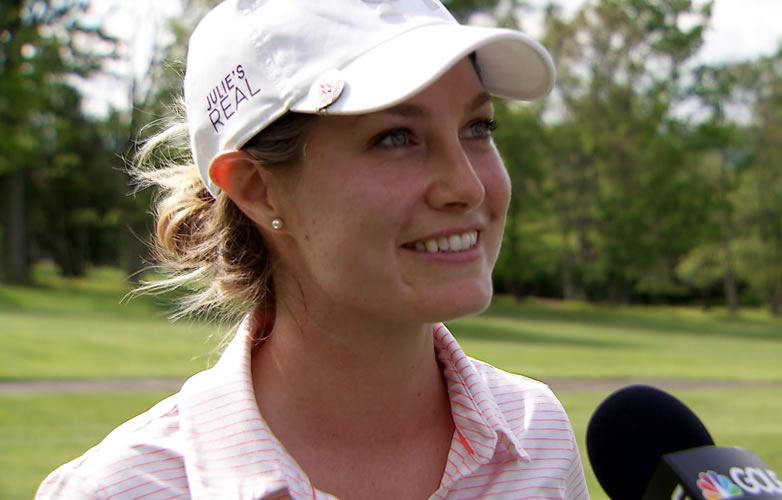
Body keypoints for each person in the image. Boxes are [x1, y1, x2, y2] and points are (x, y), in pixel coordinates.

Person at [36, 0, 589, 498]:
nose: (467, 186)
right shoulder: (119, 490)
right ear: (255, 187)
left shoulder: (535, 436)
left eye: (477, 127)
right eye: (395, 138)